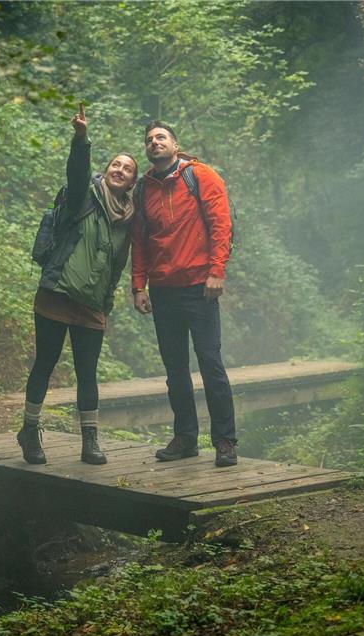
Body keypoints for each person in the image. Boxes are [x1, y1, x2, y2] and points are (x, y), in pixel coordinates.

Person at [18, 103, 138, 466]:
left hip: (92, 306)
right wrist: (81, 139)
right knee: (46, 363)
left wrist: (106, 303)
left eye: (128, 169)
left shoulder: (128, 220)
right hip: (57, 294)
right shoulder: (83, 196)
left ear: (133, 182)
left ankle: (90, 441)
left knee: (88, 372)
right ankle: (29, 430)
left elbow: (117, 267)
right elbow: (76, 171)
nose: (120, 170)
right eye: (116, 164)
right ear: (106, 170)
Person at [130, 121, 238, 467]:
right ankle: (186, 438)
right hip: (163, 291)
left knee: (210, 362)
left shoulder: (200, 176)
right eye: (149, 140)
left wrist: (217, 271)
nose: (154, 142)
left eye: (160, 137)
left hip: (199, 287)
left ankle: (224, 441)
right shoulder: (143, 189)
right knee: (175, 367)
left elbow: (221, 226)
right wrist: (138, 285)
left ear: (176, 145)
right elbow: (139, 242)